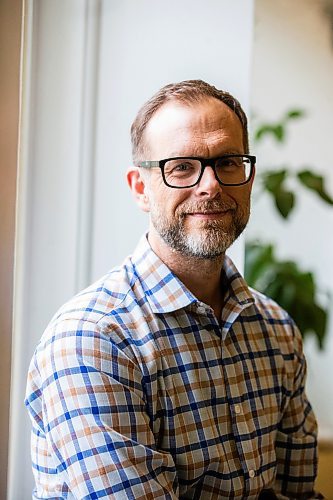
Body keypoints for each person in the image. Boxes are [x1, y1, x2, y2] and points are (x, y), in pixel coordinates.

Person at [25, 80, 323, 499]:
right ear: (140, 188)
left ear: (249, 176)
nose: (211, 185)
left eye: (229, 162)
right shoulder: (93, 339)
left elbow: (300, 493)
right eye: (182, 166)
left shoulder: (277, 329)